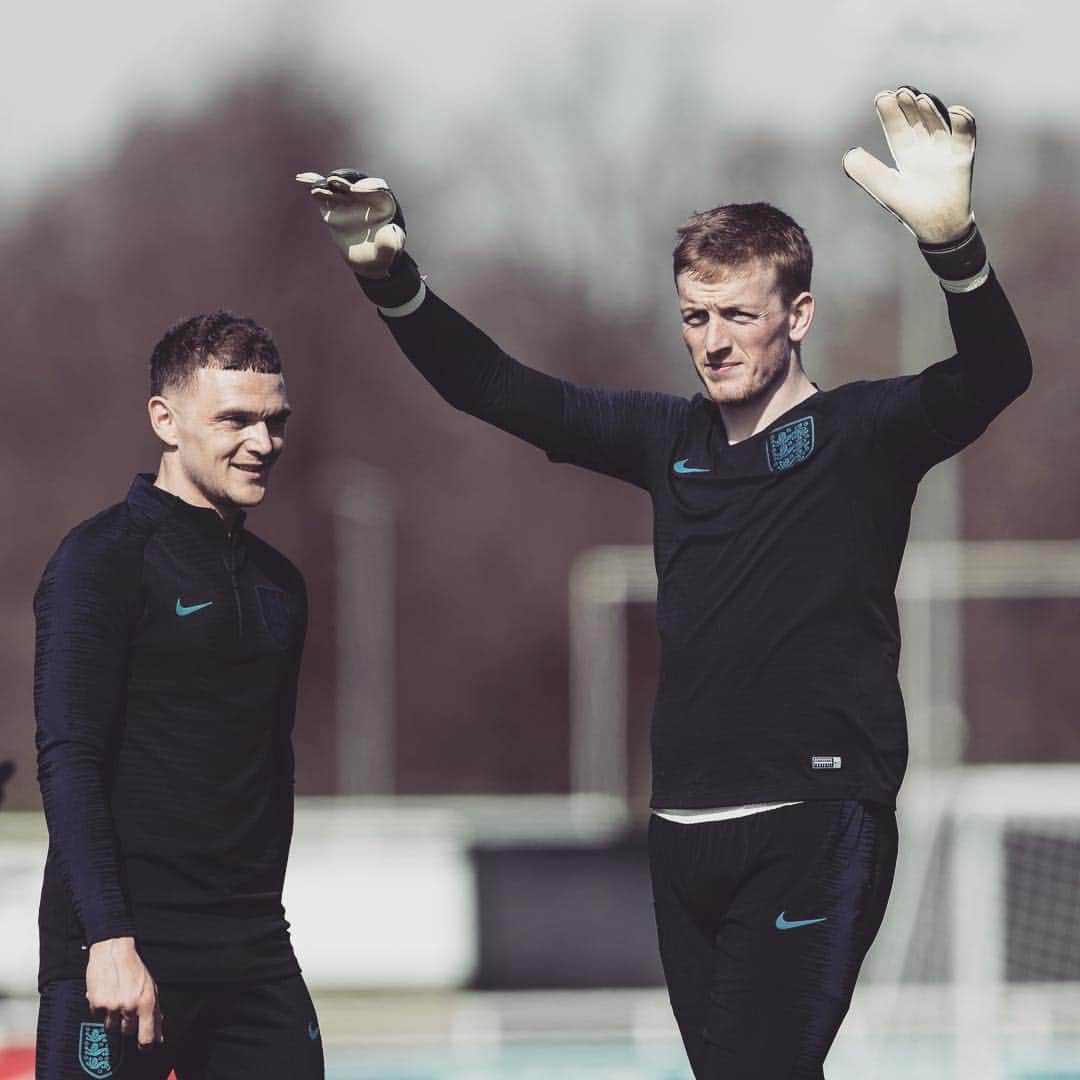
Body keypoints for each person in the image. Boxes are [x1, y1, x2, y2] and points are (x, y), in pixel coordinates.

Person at [298, 87, 1031, 1077]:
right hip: (682, 833)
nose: (715, 339)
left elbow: (997, 371)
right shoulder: (665, 438)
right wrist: (393, 281)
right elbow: (495, 388)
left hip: (814, 821)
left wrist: (955, 249)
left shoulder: (865, 434)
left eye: (739, 313)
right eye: (695, 316)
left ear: (798, 314)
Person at [33, 313, 322, 1079]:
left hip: (254, 960)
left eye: (275, 421)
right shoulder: (100, 561)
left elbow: (271, 773)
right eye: (235, 419)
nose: (263, 443)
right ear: (165, 419)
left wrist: (263, 924)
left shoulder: (281, 588)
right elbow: (69, 758)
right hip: (121, 959)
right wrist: (108, 940)